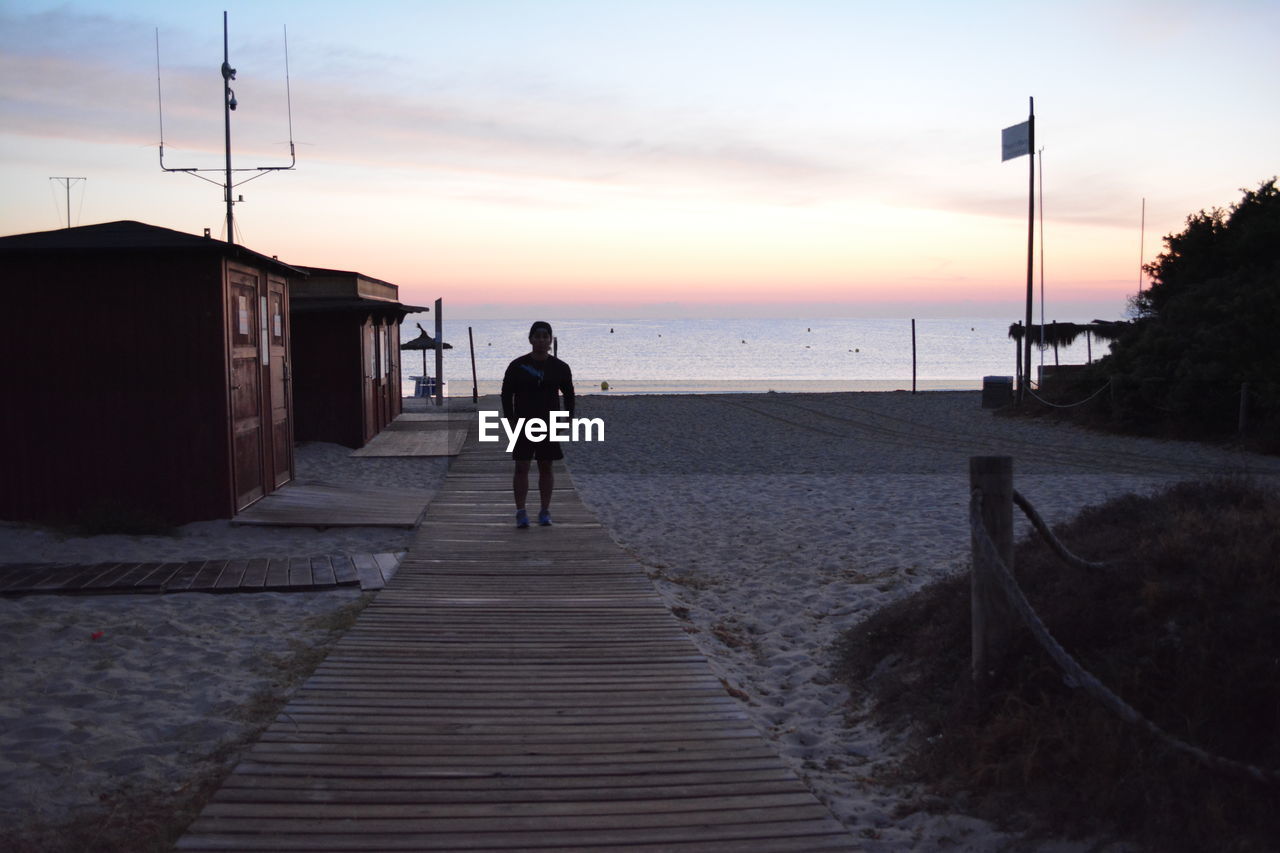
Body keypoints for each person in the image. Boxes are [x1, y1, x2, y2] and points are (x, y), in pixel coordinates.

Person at [500, 321, 575, 528]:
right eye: (537, 336)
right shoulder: (517, 365)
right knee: (522, 466)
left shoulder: (560, 367)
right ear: (530, 339)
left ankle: (544, 511)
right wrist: (509, 420)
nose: (541, 340)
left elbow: (569, 395)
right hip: (522, 423)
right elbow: (506, 394)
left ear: (550, 339)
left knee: (546, 466)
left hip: (548, 422)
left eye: (545, 336)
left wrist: (567, 418)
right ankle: (521, 512)